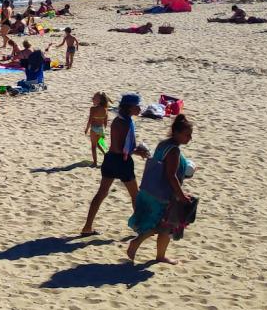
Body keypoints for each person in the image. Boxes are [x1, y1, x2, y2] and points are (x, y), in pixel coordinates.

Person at [127, 114, 196, 265]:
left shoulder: (164, 144)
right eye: (187, 135)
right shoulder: (174, 151)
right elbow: (171, 176)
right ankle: (138, 243)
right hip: (164, 194)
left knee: (160, 224)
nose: (190, 138)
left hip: (152, 190)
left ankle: (159, 255)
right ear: (177, 133)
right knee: (165, 225)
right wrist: (182, 196)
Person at [80, 93, 149, 236]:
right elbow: (119, 148)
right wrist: (137, 151)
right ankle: (139, 227)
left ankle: (87, 227)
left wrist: (135, 150)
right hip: (120, 161)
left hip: (111, 160)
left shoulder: (123, 119)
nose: (140, 108)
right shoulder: (122, 123)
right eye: (137, 106)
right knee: (135, 196)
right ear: (130, 107)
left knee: (102, 193)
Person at [85, 92, 110, 167]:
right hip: (101, 129)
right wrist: (103, 130)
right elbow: (105, 121)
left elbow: (90, 120)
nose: (92, 99)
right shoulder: (105, 109)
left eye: (94, 98)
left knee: (93, 146)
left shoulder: (93, 109)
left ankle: (95, 163)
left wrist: (86, 129)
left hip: (94, 129)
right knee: (99, 143)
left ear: (100, 100)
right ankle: (106, 155)